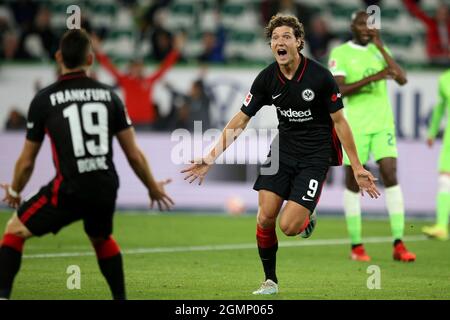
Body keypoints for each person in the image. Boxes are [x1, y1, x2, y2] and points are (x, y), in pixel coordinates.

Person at [181, 14, 380, 295]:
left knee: (288, 226)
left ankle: (306, 217)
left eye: (286, 37)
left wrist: (356, 166)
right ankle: (270, 281)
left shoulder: (320, 76)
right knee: (265, 218)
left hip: (315, 157)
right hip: (282, 152)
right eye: (275, 38)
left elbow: (340, 122)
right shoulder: (266, 79)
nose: (280, 42)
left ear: (299, 42)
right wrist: (211, 156)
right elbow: (241, 119)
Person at [0, 29, 174, 300]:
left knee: (14, 230)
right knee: (101, 238)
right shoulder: (110, 97)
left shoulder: (44, 99)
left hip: (68, 187)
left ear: (59, 56)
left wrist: (14, 191)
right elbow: (134, 155)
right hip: (105, 185)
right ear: (90, 59)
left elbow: (26, 162)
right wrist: (152, 187)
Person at [328, 11, 416, 262]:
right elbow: (339, 90)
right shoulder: (340, 53)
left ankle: (399, 242)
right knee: (353, 181)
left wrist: (381, 48)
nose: (367, 28)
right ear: (352, 26)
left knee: (390, 172)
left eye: (370, 24)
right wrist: (373, 78)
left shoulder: (379, 49)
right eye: (361, 24)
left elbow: (402, 79)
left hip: (382, 124)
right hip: (353, 127)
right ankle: (356, 245)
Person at [91, 33, 184, 130]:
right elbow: (109, 67)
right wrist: (98, 50)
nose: (137, 69)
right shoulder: (125, 80)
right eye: (135, 66)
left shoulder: (149, 80)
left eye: (139, 66)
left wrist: (176, 51)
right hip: (130, 122)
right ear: (130, 68)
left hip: (146, 122)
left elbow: (164, 68)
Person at [422, 68, 450, 240]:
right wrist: (432, 131)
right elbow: (440, 107)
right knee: (444, 179)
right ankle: (441, 226)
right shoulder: (445, 79)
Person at [403, 0, 450, 66]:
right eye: (440, 13)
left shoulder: (448, 25)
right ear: (437, 13)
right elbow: (417, 12)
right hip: (435, 57)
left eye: (445, 13)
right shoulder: (431, 24)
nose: (442, 16)